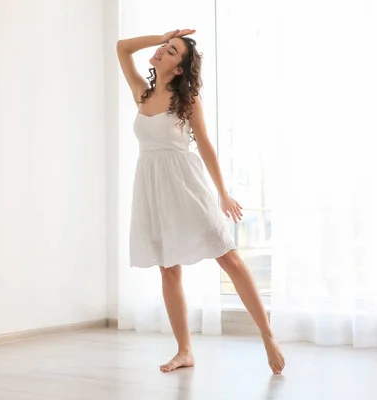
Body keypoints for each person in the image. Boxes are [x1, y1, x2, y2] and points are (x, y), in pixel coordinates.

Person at [116, 29, 285, 374]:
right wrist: (161, 36)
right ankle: (184, 351)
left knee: (230, 259)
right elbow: (122, 48)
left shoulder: (188, 102)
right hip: (152, 189)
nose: (163, 50)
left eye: (171, 50)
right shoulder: (142, 93)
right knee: (168, 270)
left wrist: (223, 193)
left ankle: (267, 335)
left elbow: (205, 146)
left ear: (180, 69)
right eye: (165, 46)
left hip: (186, 185)